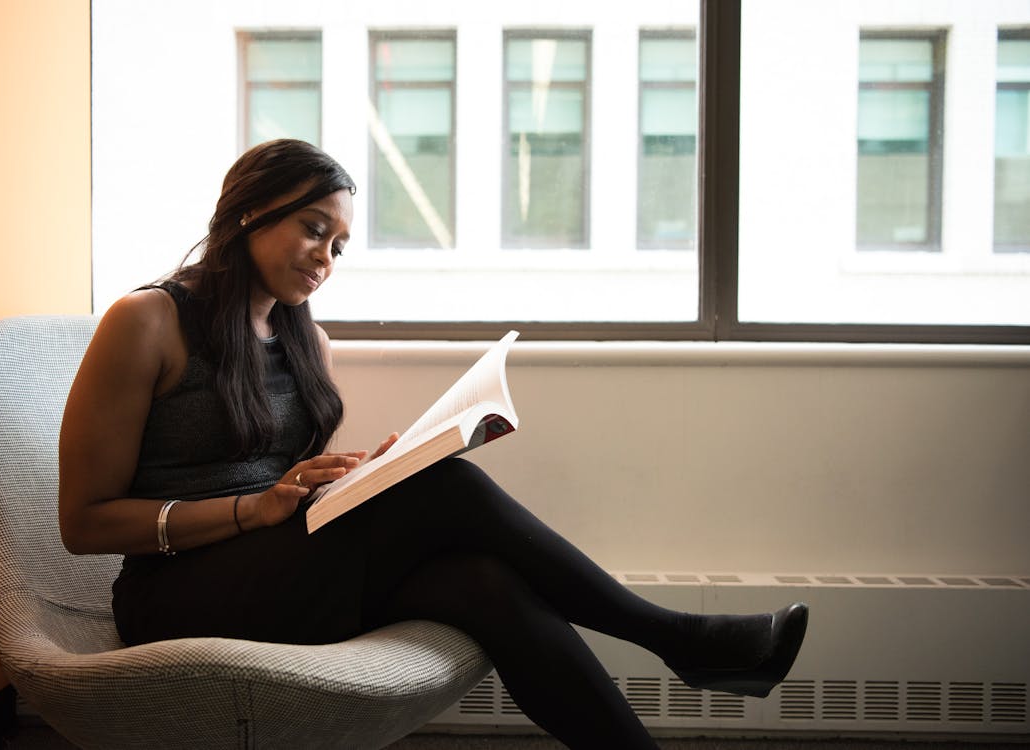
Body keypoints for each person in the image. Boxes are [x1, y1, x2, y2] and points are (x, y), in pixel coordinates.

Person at [59, 138, 808, 749]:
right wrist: (250, 510)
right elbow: (84, 522)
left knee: (482, 582)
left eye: (340, 244)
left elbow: (278, 483)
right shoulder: (148, 322)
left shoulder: (303, 339)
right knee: (444, 490)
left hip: (273, 571)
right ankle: (677, 638)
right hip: (173, 593)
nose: (325, 256)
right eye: (314, 228)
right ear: (249, 210)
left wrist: (343, 478)